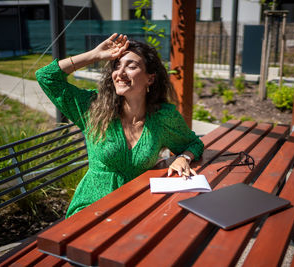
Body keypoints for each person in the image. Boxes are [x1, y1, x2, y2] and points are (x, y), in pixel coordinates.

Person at [36, 33, 204, 218]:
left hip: (136, 207)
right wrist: (94, 55)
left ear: (150, 79)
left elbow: (193, 144)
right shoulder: (93, 108)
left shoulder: (163, 117)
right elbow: (46, 77)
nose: (120, 73)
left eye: (131, 66)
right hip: (91, 210)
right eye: (117, 66)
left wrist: (184, 158)